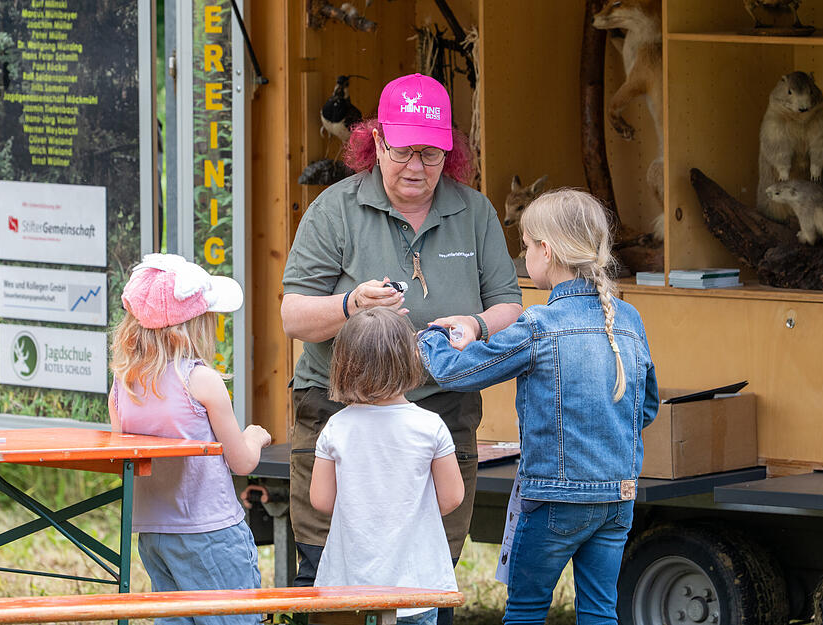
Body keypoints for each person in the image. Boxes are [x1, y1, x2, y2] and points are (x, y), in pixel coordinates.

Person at [279, 71, 523, 620]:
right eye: (402, 151)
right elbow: (292, 316)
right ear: (375, 143)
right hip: (337, 408)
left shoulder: (474, 211)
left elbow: (510, 304)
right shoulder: (334, 210)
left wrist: (477, 324)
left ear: (449, 154)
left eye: (430, 154)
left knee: (429, 565)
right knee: (327, 564)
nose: (415, 168)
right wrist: (351, 306)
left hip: (441, 409)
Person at [418, 189, 660, 625]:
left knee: (527, 611)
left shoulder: (538, 325)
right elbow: (646, 408)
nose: (523, 252)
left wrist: (432, 335)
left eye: (526, 245)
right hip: (618, 495)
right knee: (601, 611)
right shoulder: (629, 320)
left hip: (552, 498)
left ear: (546, 251)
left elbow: (457, 372)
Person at [109, 253, 273, 625]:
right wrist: (255, 436)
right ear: (194, 326)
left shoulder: (123, 383)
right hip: (210, 530)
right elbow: (242, 461)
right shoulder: (201, 380)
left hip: (154, 533)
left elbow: (126, 463)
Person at [310, 307, 464, 625]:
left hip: (349, 582)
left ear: (343, 364)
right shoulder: (430, 426)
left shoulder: (336, 427)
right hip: (417, 583)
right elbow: (452, 499)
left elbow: (321, 501)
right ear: (409, 360)